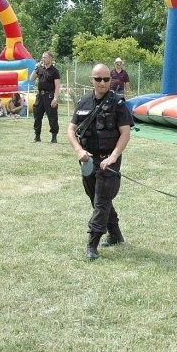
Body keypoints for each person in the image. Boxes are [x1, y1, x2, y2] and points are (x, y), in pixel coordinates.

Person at [66, 63, 133, 260]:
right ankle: (116, 235)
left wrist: (114, 156)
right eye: (98, 79)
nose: (102, 83)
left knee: (101, 201)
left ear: (110, 80)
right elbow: (71, 129)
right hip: (88, 160)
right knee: (95, 198)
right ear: (91, 80)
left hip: (108, 160)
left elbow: (125, 133)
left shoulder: (118, 103)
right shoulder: (83, 102)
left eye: (106, 79)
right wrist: (79, 150)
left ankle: (92, 244)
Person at [30, 51, 61, 143]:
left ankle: (54, 137)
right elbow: (31, 78)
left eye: (45, 57)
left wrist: (55, 99)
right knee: (37, 116)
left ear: (50, 58)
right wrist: (36, 68)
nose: (43, 59)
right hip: (40, 96)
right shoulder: (40, 69)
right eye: (42, 57)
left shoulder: (54, 71)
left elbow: (57, 86)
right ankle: (37, 136)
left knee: (52, 117)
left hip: (49, 96)